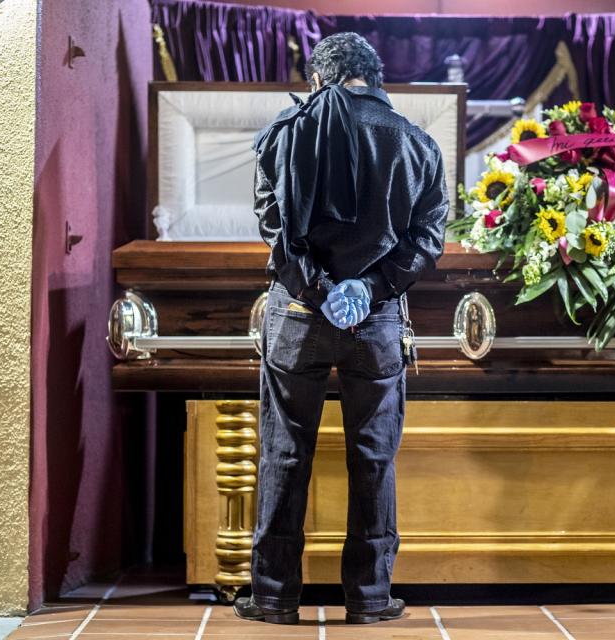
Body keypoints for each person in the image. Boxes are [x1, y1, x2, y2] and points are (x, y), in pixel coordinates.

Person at [233, 32, 449, 626]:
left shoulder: (286, 133)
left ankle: (274, 597)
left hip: (297, 316)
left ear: (320, 78)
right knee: (373, 456)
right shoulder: (418, 143)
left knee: (283, 452)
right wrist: (367, 289)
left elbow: (273, 229)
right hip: (375, 324)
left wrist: (319, 291)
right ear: (375, 78)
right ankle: (371, 598)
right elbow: (428, 240)